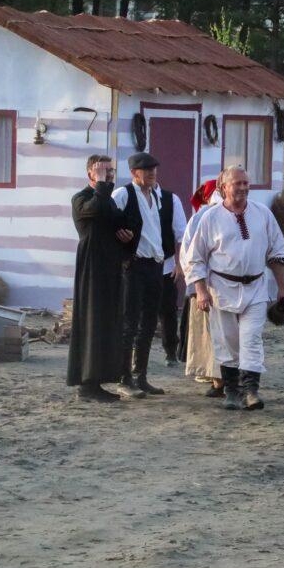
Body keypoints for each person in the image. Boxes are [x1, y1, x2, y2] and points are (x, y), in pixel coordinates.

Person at [185, 166, 284, 411]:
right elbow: (196, 258)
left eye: (246, 183)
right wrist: (200, 291)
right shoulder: (210, 218)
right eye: (237, 184)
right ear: (224, 187)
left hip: (255, 287)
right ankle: (232, 391)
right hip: (221, 289)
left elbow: (276, 253)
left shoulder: (262, 214)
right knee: (228, 341)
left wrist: (283, 289)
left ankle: (251, 391)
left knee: (251, 339)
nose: (243, 188)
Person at [66, 155, 134, 402]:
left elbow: (116, 222)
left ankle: (98, 381)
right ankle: (86, 384)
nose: (109, 176)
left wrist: (127, 235)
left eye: (111, 172)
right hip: (92, 267)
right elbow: (94, 210)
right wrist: (102, 185)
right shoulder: (82, 199)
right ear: (90, 174)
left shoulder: (108, 200)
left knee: (107, 322)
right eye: (103, 172)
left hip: (110, 266)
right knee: (92, 322)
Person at [112, 153, 168, 398]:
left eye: (154, 170)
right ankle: (123, 378)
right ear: (135, 173)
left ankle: (140, 375)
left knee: (148, 323)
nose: (152, 174)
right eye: (147, 171)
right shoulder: (123, 194)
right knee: (129, 323)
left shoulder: (155, 194)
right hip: (134, 265)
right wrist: (119, 233)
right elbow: (108, 221)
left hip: (154, 265)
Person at [181, 179, 224, 396]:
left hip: (222, 285)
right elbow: (190, 254)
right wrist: (197, 286)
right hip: (206, 285)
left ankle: (221, 380)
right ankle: (217, 379)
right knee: (210, 335)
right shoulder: (201, 218)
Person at [156, 183, 188, 367]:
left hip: (166, 266)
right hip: (137, 266)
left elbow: (183, 235)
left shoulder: (170, 199)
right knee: (134, 312)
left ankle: (170, 351)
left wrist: (181, 264)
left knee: (168, 311)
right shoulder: (125, 195)